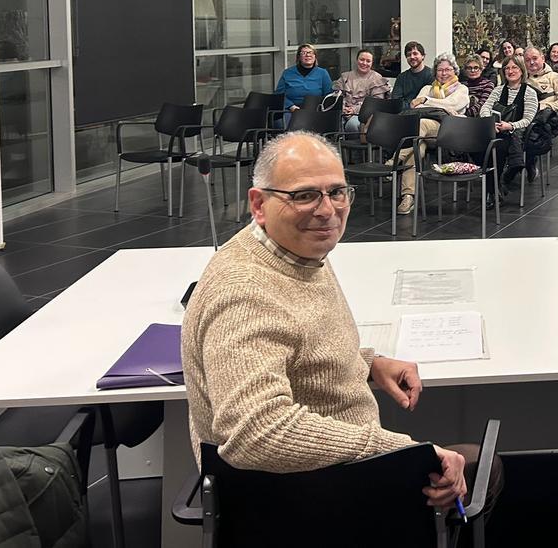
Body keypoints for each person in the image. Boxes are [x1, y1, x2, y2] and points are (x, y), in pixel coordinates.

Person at [182, 131, 500, 510]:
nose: (327, 210)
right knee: (485, 467)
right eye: (304, 195)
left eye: (336, 192)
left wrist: (367, 364)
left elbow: (300, 342)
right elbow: (256, 432)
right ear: (259, 204)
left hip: (322, 476)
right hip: (307, 499)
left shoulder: (295, 249)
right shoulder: (245, 291)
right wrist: (402, 451)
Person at [394, 54, 469, 215]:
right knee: (417, 148)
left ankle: (394, 159)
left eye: (448, 69)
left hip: (452, 131)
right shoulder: (428, 88)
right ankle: (408, 196)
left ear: (454, 70)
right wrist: (443, 107)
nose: (443, 73)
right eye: (440, 70)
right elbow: (414, 107)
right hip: (426, 135)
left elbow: (454, 103)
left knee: (420, 125)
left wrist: (426, 101)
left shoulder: (461, 89)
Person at [480, 56, 539, 203]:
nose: (510, 71)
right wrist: (489, 122)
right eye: (507, 68)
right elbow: (485, 108)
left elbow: (528, 119)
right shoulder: (498, 90)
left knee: (497, 147)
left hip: (515, 133)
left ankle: (491, 190)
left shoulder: (529, 92)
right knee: (479, 146)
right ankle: (493, 188)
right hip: (495, 129)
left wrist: (510, 126)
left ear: (521, 70)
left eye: (514, 68)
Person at [522, 46, 558, 181]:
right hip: (525, 116)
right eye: (527, 60)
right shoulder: (522, 78)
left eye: (535, 58)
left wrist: (546, 106)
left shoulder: (554, 77)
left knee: (531, 131)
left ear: (543, 58)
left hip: (546, 119)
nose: (531, 63)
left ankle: (527, 163)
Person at [334, 47, 390, 133]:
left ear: (372, 63)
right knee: (332, 123)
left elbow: (377, 103)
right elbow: (337, 96)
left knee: (352, 125)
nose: (364, 63)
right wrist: (343, 108)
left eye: (368, 61)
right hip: (343, 112)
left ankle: (352, 146)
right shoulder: (345, 77)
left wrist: (354, 109)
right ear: (356, 60)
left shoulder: (377, 78)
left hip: (366, 115)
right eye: (362, 59)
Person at [276, 44, 333, 114]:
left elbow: (328, 95)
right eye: (304, 53)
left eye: (311, 52)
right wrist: (291, 106)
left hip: (315, 110)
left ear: (315, 57)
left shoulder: (323, 73)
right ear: (299, 57)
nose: (308, 55)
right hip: (291, 110)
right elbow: (279, 94)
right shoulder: (288, 73)